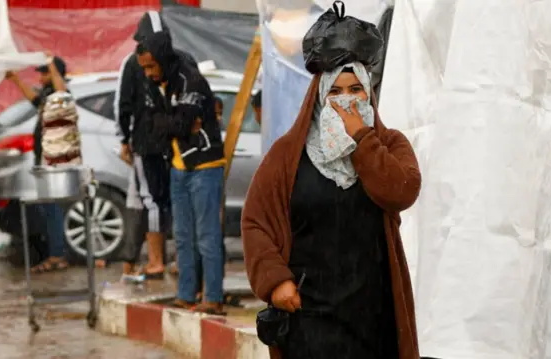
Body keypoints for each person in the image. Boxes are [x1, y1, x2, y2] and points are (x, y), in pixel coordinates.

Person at [241, 62, 421, 359]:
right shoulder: (288, 154)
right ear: (319, 97)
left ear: (369, 94)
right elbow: (255, 223)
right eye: (335, 92)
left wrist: (362, 137)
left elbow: (401, 191)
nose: (346, 100)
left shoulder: (389, 145)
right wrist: (275, 281)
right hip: (310, 315)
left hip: (374, 316)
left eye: (355, 90)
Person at [135, 29, 227, 314]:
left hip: (205, 166)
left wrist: (172, 123)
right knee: (183, 236)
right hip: (178, 167)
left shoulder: (191, 80)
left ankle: (212, 297)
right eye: (145, 67)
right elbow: (151, 125)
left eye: (152, 65)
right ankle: (186, 294)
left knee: (207, 236)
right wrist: (172, 122)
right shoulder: (154, 84)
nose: (148, 72)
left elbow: (181, 124)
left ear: (163, 58)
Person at [115, 11, 198, 279]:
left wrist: (125, 141)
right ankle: (180, 261)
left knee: (152, 201)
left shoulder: (132, 63)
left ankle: (156, 261)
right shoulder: (184, 59)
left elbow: (123, 106)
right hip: (177, 143)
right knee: (176, 199)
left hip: (148, 142)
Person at [5, 54, 70, 273]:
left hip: (53, 160)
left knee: (52, 208)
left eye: (44, 73)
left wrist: (52, 66)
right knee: (48, 207)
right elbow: (34, 100)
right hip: (44, 159)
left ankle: (57, 255)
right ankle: (54, 253)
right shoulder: (47, 96)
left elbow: (61, 91)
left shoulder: (61, 95)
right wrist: (15, 80)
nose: (41, 77)